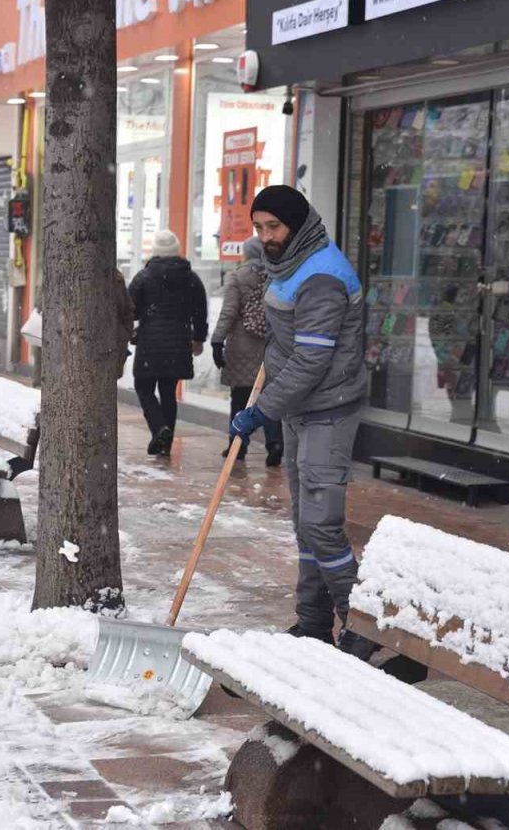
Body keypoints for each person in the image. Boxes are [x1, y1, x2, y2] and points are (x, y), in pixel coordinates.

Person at [227, 186, 373, 659]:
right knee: (303, 523)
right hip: (300, 408)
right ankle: (312, 623)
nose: (267, 236)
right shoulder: (290, 263)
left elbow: (313, 360)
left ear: (298, 224)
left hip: (327, 408)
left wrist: (261, 410)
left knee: (322, 523)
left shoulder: (322, 275)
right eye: (260, 228)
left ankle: (361, 625)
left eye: (275, 227)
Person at [128, 230, 208, 456]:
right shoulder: (191, 278)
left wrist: (133, 324)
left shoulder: (144, 277)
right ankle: (166, 441)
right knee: (168, 391)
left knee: (144, 387)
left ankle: (159, 429)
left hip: (150, 344)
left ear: (155, 251)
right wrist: (199, 338)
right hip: (179, 343)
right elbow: (200, 311)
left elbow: (129, 307)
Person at [211, 235, 283, 465]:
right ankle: (275, 443)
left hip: (242, 346)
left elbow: (229, 312)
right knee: (269, 398)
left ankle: (237, 445)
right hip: (269, 346)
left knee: (240, 398)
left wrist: (217, 340)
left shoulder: (238, 276)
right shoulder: (276, 276)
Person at [113, 267, 136, 380]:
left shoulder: (116, 278)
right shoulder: (116, 277)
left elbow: (128, 310)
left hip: (114, 343)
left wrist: (124, 334)